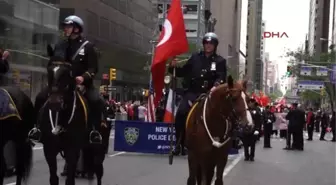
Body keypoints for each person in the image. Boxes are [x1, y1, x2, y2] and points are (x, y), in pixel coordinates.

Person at [35, 15, 102, 131]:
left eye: (68, 26)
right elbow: (54, 63)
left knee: (96, 100)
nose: (65, 29)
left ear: (76, 29)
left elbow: (93, 68)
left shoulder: (88, 47)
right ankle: (36, 128)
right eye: (65, 26)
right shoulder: (60, 45)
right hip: (61, 83)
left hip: (81, 85)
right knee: (40, 97)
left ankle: (94, 130)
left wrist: (83, 78)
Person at [169, 32, 227, 155]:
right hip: (192, 93)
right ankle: (179, 143)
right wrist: (173, 67)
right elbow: (182, 72)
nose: (208, 45)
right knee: (181, 113)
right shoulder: (195, 57)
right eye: (206, 43)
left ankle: (223, 139)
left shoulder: (220, 61)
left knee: (223, 114)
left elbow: (221, 77)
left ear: (215, 45)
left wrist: (215, 86)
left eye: (211, 43)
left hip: (209, 94)